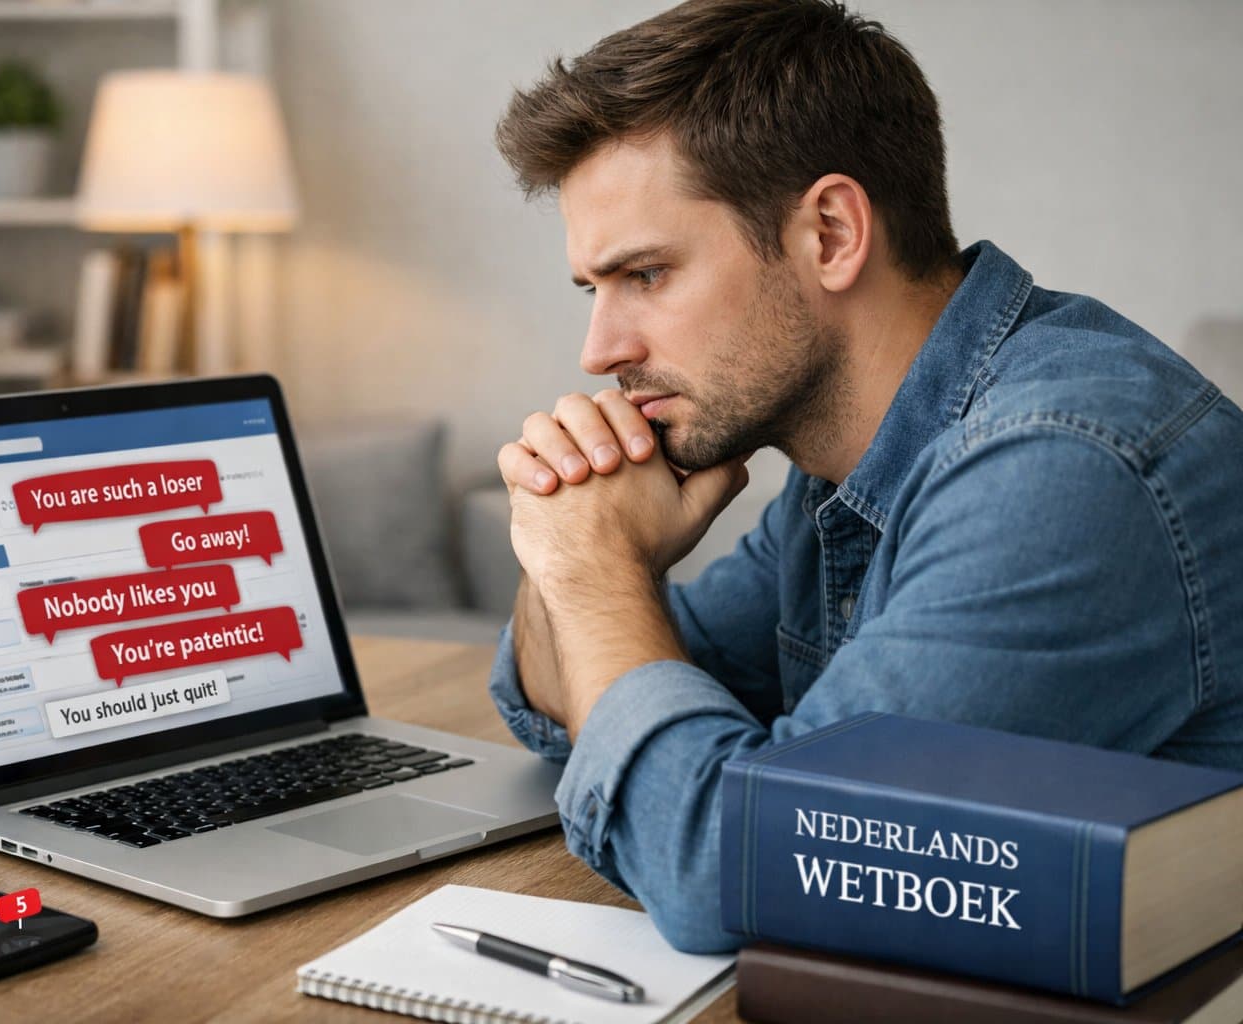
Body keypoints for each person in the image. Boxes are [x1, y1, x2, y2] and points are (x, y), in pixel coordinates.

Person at [486, 0, 1243, 953]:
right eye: (593, 289)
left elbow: (723, 871)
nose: (599, 351)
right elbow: (559, 711)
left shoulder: (1063, 473)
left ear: (833, 234)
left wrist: (594, 567)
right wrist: (571, 542)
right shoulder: (846, 462)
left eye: (645, 275)